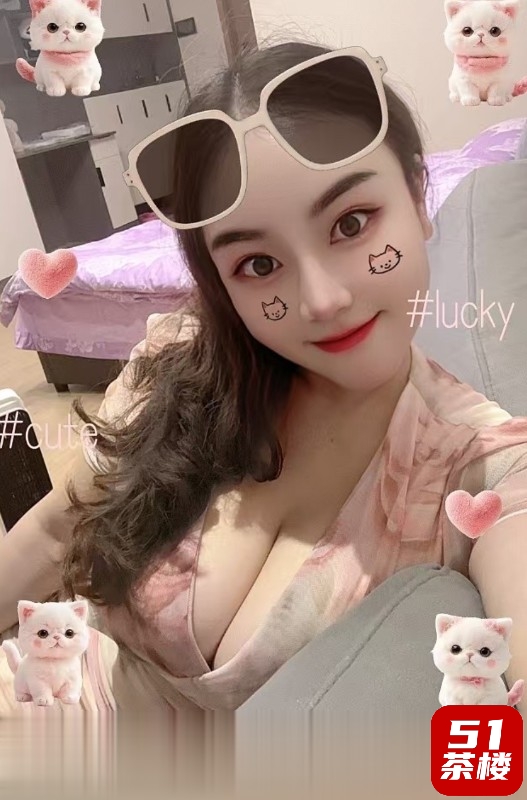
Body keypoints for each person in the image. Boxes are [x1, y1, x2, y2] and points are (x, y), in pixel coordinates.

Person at [1, 39, 526, 715]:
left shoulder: (479, 467)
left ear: (418, 196)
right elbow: (56, 534)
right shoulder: (180, 362)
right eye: (258, 264)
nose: (322, 300)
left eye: (351, 223)